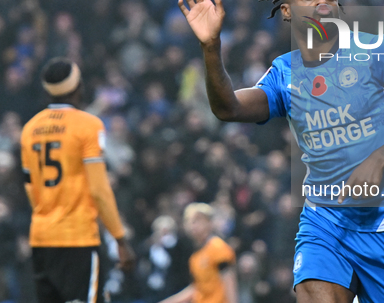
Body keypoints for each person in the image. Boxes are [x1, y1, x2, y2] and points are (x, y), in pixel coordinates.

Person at [178, 0, 384, 302]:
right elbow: (229, 109)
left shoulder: (376, 53)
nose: (322, 1)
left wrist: (380, 158)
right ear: (287, 11)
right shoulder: (284, 72)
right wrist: (211, 47)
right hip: (325, 218)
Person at [20, 57, 135, 303]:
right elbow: (99, 189)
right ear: (77, 86)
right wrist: (120, 238)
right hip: (78, 238)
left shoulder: (30, 129)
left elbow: (31, 189)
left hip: (41, 239)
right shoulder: (88, 125)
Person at [159, 203, 237, 303]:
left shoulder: (218, 248)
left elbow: (229, 282)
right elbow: (197, 288)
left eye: (197, 220)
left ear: (209, 223)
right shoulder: (195, 256)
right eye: (189, 221)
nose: (193, 225)